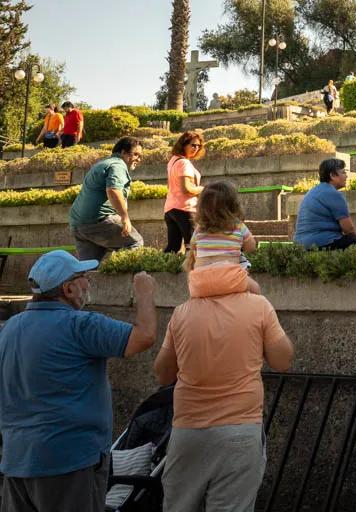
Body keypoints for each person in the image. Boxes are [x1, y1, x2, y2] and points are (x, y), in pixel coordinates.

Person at [0, 252, 157, 512]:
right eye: (83, 277)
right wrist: (145, 292)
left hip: (17, 462)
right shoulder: (79, 325)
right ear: (68, 288)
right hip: (68, 464)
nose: (88, 282)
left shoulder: (9, 329)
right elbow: (145, 337)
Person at [155, 244, 293, 511]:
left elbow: (163, 374)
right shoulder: (258, 307)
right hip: (240, 430)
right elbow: (283, 360)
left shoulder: (181, 313)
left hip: (188, 432)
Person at [69, 137, 144, 262]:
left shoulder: (103, 163)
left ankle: (79, 281)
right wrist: (124, 217)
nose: (139, 159)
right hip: (99, 220)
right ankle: (124, 280)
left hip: (78, 224)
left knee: (88, 267)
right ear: (123, 152)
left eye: (140, 156)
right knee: (135, 242)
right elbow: (113, 190)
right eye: (136, 154)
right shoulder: (118, 165)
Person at [293, 158, 356, 249]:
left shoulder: (313, 191)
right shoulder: (333, 194)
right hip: (323, 242)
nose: (346, 176)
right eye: (343, 172)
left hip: (300, 245)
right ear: (332, 175)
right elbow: (349, 229)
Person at [187, 181, 258, 273]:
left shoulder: (200, 229)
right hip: (229, 276)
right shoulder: (238, 226)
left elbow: (193, 246)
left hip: (200, 278)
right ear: (234, 205)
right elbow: (251, 248)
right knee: (255, 287)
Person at [164, 130, 205, 255]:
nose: (196, 148)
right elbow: (186, 189)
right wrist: (204, 189)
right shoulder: (184, 163)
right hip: (185, 209)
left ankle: (161, 271)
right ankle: (192, 273)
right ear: (184, 144)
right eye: (193, 145)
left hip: (170, 209)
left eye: (198, 146)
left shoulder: (173, 161)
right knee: (193, 246)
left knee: (172, 248)